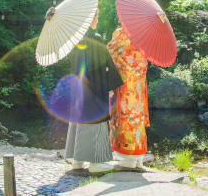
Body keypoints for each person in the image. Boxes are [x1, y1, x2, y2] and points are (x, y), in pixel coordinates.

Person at [62, 10, 124, 173]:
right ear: (91, 19)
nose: (97, 20)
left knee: (79, 119)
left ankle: (77, 160)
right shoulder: (95, 38)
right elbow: (106, 62)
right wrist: (112, 85)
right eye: (96, 17)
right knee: (95, 121)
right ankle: (96, 163)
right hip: (95, 86)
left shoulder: (76, 39)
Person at [107, 26, 149, 169]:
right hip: (138, 83)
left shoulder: (119, 33)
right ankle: (138, 159)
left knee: (125, 118)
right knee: (137, 118)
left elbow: (110, 52)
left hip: (124, 83)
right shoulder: (143, 33)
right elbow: (145, 59)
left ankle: (128, 160)